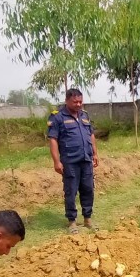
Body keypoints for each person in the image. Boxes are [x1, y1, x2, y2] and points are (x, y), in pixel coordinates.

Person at [47, 88, 99, 234]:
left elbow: (91, 135)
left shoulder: (85, 115)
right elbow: (53, 140)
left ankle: (87, 219)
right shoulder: (57, 117)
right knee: (71, 191)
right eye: (75, 101)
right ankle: (72, 222)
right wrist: (56, 161)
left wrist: (95, 153)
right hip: (70, 161)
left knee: (88, 189)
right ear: (67, 101)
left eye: (80, 101)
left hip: (86, 159)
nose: (78, 104)